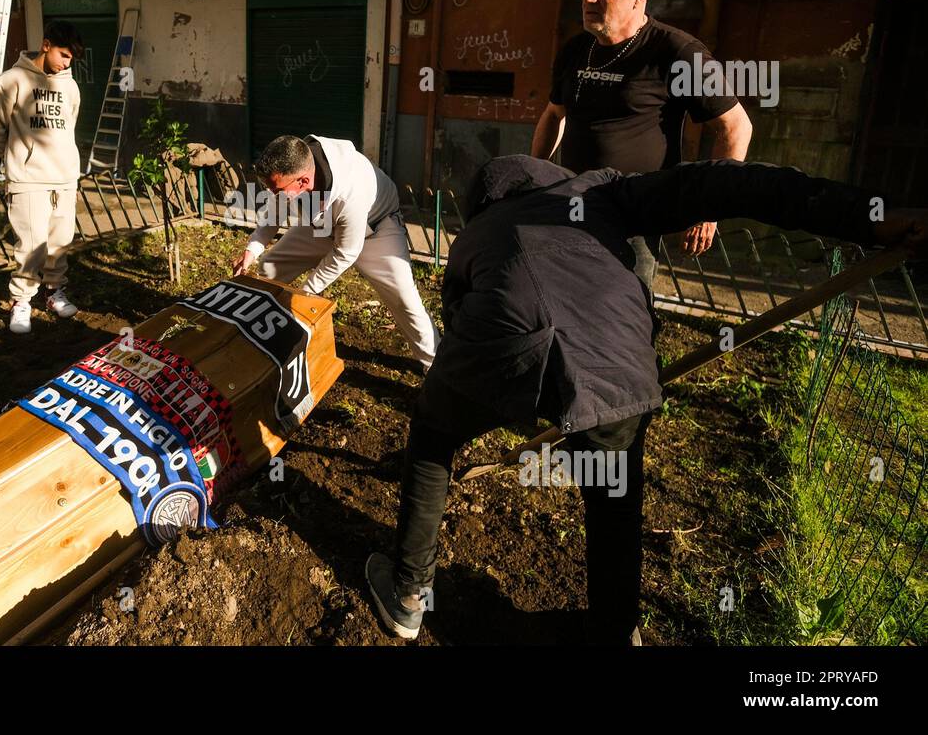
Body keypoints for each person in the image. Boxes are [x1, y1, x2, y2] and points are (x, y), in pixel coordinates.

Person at [364, 154, 927, 643]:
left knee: (435, 437)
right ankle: (612, 634)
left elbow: (459, 317)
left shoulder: (478, 232)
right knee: (613, 499)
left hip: (503, 343)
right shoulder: (603, 193)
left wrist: (515, 390)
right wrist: (868, 218)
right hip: (617, 361)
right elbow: (730, 184)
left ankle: (410, 596)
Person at [531, 0, 753, 288]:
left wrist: (710, 208)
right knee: (565, 302)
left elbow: (736, 127)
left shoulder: (676, 52)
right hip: (570, 205)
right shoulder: (576, 50)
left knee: (625, 315)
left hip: (635, 216)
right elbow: (553, 115)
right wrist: (534, 176)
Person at [232, 134, 438, 369]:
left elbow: (346, 252)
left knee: (405, 301)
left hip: (377, 231)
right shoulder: (293, 167)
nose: (271, 193)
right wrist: (252, 249)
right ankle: (257, 330)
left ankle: (435, 363)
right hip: (324, 226)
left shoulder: (351, 187)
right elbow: (274, 214)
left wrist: (306, 293)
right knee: (269, 267)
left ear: (302, 182)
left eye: (276, 189)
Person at [0, 20, 85, 335]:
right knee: (31, 244)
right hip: (27, 177)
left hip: (65, 176)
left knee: (60, 241)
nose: (67, 63)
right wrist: (8, 162)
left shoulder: (70, 86)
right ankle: (21, 300)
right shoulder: (10, 81)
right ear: (45, 45)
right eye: (63, 55)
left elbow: (69, 126)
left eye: (71, 58)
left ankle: (53, 292)